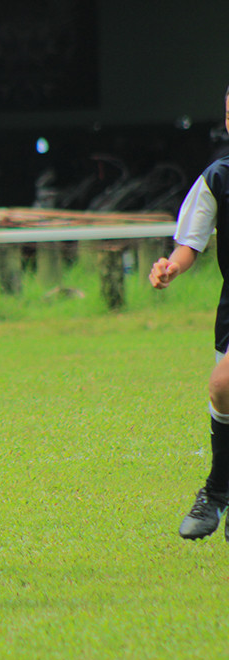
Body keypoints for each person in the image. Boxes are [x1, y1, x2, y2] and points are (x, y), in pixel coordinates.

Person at [150, 85, 229, 541]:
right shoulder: (218, 177)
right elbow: (190, 241)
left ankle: (217, 490)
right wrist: (171, 268)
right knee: (225, 395)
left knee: (223, 384)